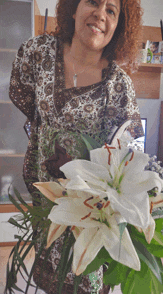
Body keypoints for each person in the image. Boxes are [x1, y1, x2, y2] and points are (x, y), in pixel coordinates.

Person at [9, 0, 144, 293]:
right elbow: (26, 100)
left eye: (112, 10)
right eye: (94, 2)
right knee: (50, 273)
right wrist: (48, 141)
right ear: (73, 7)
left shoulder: (118, 86)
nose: (100, 14)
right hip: (45, 194)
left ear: (119, 25)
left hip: (89, 211)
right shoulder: (38, 53)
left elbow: (121, 156)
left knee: (84, 277)